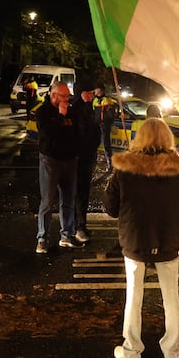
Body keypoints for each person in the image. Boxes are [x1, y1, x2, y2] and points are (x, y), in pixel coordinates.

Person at [103, 118, 179, 358]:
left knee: (134, 296)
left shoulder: (125, 168)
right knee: (171, 296)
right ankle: (172, 352)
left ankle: (132, 351)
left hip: (134, 240)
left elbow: (111, 208)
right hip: (169, 240)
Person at [35, 81, 83, 253]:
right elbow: (47, 135)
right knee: (47, 201)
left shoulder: (72, 111)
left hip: (70, 160)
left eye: (68, 96)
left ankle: (67, 235)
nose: (67, 99)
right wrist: (61, 117)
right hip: (51, 160)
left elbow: (77, 132)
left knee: (68, 199)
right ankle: (42, 238)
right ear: (53, 95)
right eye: (63, 96)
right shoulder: (43, 112)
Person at [72, 80, 100, 243]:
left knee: (84, 193)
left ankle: (82, 223)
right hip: (78, 158)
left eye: (92, 92)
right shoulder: (75, 111)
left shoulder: (89, 108)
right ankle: (77, 226)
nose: (91, 95)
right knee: (77, 194)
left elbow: (95, 131)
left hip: (88, 156)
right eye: (88, 92)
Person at [93, 83, 117, 171]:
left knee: (106, 145)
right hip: (96, 126)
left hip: (104, 126)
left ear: (100, 90)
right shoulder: (94, 100)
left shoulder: (107, 101)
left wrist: (109, 123)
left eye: (96, 89)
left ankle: (110, 164)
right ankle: (94, 162)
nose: (94, 91)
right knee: (94, 145)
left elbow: (111, 115)